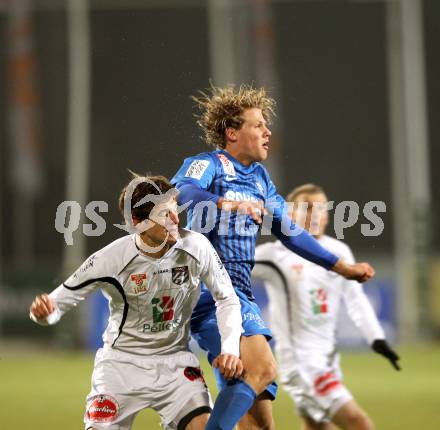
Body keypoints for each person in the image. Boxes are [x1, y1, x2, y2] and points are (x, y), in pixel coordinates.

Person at [171, 84, 376, 430]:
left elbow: (290, 231)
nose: (268, 132)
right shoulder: (209, 164)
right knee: (264, 368)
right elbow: (181, 193)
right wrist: (230, 204)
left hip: (239, 294)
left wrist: (341, 266)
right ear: (232, 132)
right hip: (208, 292)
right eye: (258, 124)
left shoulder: (262, 180)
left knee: (261, 424)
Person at [29, 174, 244, 430]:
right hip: (121, 367)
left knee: (203, 426)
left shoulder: (197, 247)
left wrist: (230, 349)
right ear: (138, 222)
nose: (176, 220)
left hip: (175, 364)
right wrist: (43, 314)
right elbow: (56, 304)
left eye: (175, 210)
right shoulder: (110, 259)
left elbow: (227, 299)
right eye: (165, 215)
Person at [253, 183, 400, 430]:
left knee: (317, 426)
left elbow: (356, 298)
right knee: (359, 423)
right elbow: (228, 266)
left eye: (321, 208)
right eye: (308, 208)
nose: (316, 214)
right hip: (301, 362)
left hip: (329, 359)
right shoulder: (273, 255)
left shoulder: (339, 250)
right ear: (289, 214)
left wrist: (376, 338)